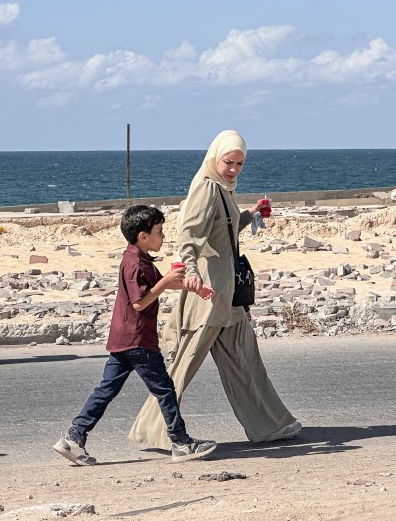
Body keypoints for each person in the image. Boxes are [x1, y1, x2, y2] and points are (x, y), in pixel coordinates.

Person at [128, 130, 301, 449]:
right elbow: (188, 235)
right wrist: (191, 273)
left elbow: (223, 232)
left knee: (245, 362)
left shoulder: (223, 189)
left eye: (239, 163)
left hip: (228, 295)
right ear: (214, 158)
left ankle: (271, 426)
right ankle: (154, 430)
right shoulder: (206, 188)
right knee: (184, 364)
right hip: (207, 293)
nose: (233, 168)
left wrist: (251, 214)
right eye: (228, 161)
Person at [53, 205, 218, 465]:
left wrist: (194, 288)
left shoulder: (138, 260)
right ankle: (181, 442)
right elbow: (140, 302)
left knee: (106, 390)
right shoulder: (133, 264)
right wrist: (165, 282)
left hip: (123, 339)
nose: (163, 237)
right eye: (159, 232)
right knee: (165, 390)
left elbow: (158, 286)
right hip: (138, 339)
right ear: (143, 236)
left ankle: (74, 438)